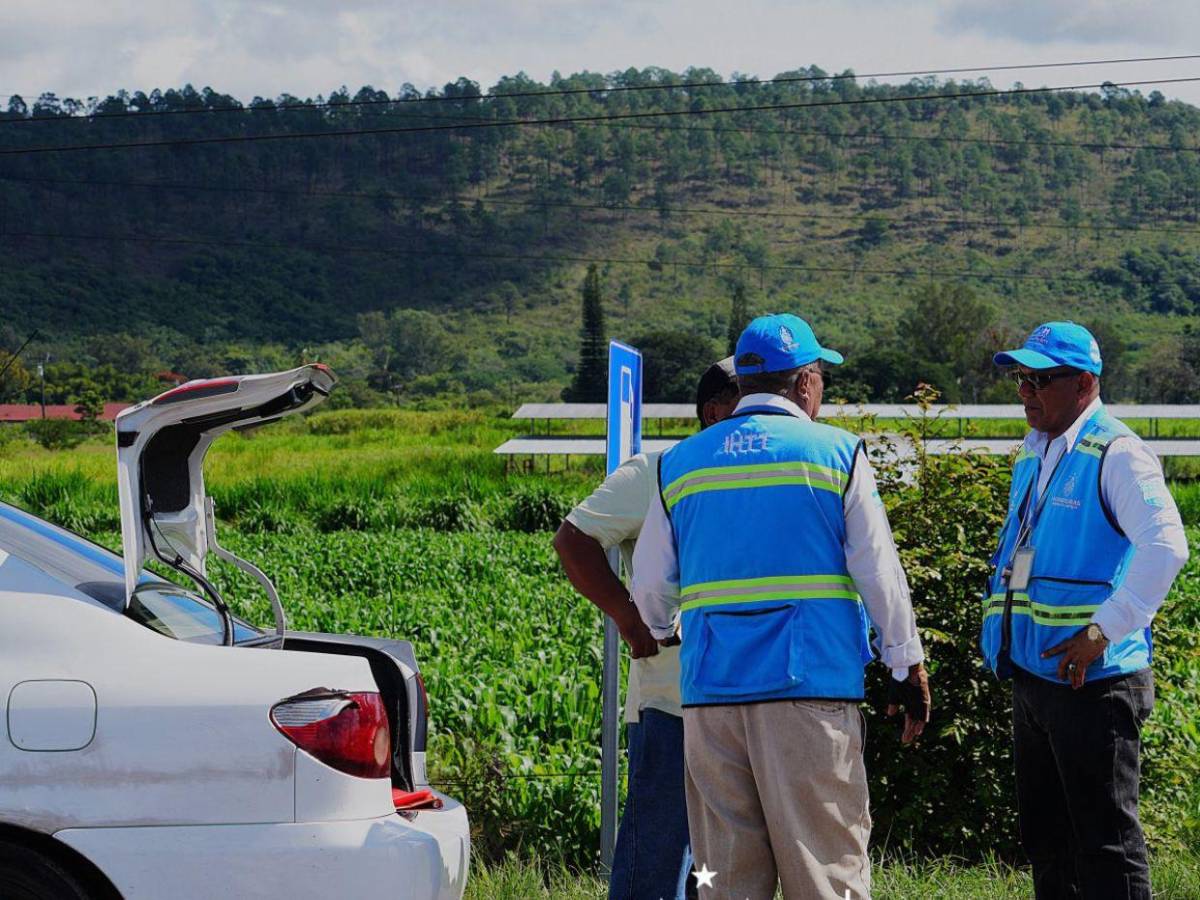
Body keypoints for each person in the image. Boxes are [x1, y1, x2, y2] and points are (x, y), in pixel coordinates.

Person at [631, 313, 930, 900]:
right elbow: (879, 571)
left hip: (712, 699)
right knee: (825, 872)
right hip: (809, 696)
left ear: (742, 384)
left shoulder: (680, 463)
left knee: (724, 879)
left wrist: (666, 629)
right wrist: (905, 663)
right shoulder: (836, 454)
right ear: (805, 383)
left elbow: (649, 587)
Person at [982, 322, 1189, 899]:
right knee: (1046, 840)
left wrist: (1103, 631)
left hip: (1092, 682)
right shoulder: (1037, 448)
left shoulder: (1116, 452)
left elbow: (1167, 546)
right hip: (1034, 675)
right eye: (1021, 378)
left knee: (1105, 845)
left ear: (1084, 384)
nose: (1025, 391)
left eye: (1039, 380)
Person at [553, 358, 740, 900]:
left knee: (717, 869)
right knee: (656, 867)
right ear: (712, 413)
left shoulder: (759, 480)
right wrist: (629, 620)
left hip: (744, 702)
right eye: (744, 404)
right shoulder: (656, 471)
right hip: (671, 704)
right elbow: (575, 541)